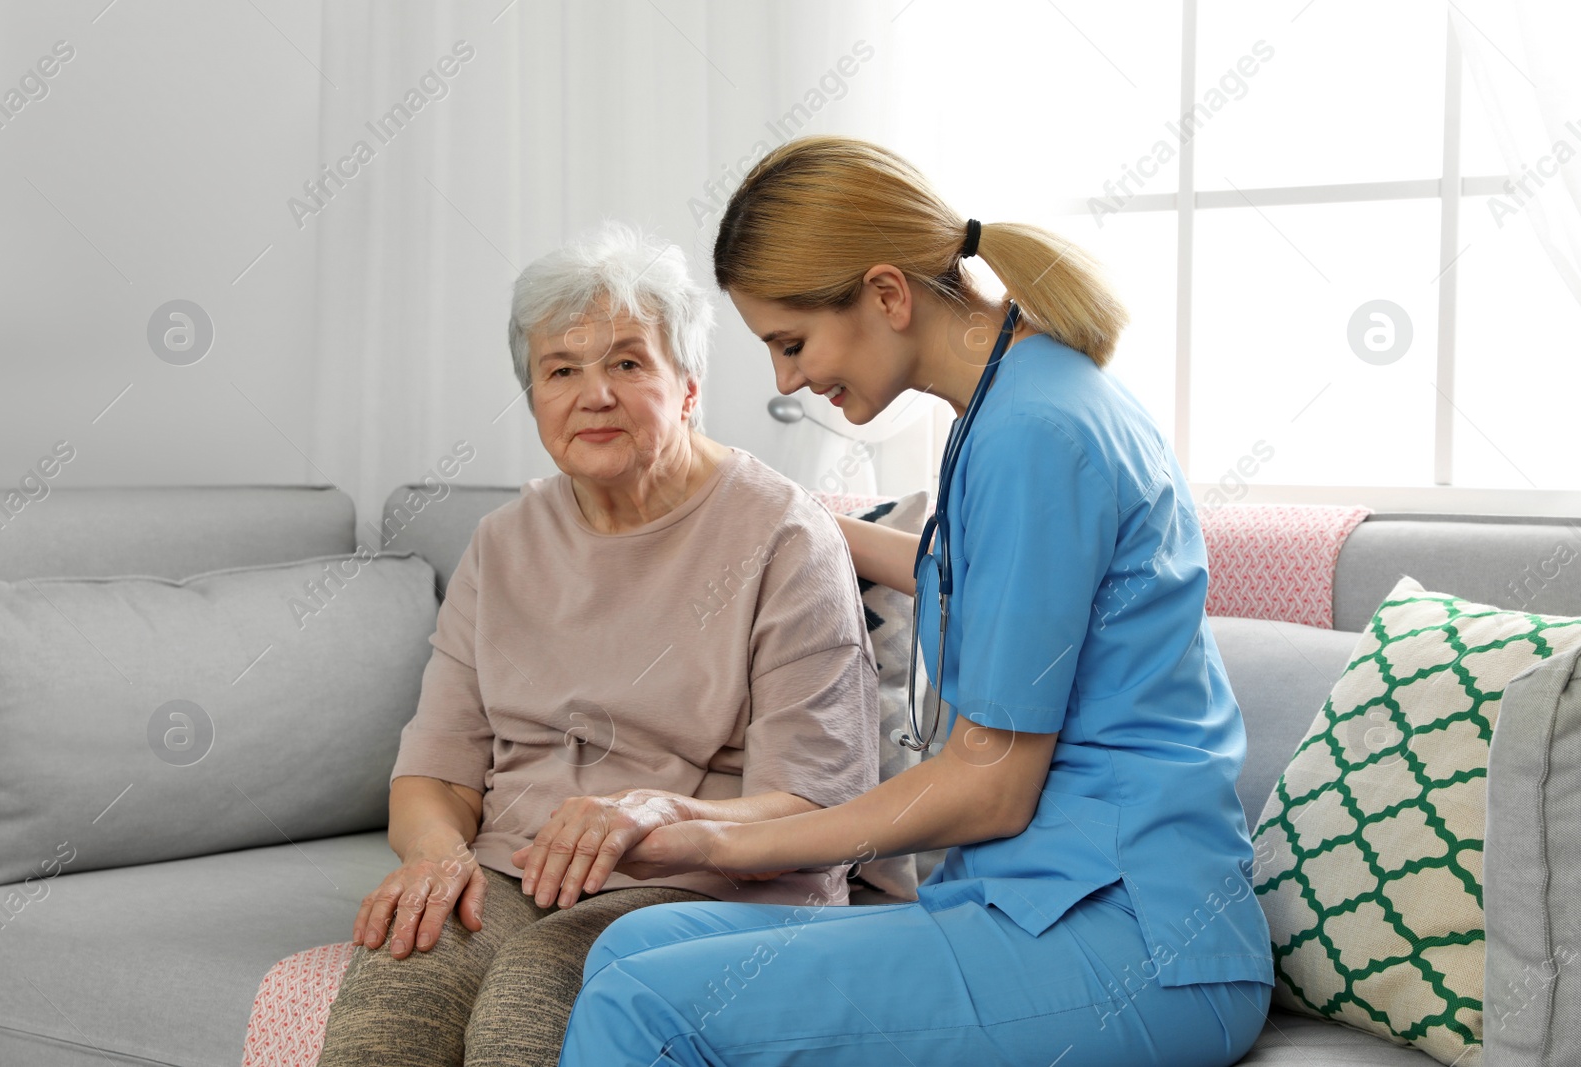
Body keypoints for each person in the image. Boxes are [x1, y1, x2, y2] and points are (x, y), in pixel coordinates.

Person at [554, 136, 1274, 1066]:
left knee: (647, 1000)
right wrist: (783, 512)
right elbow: (970, 579)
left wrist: (717, 839)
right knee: (630, 947)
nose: (785, 379)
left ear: (886, 295)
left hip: (1135, 937)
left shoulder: (1034, 432)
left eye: (790, 342)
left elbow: (991, 781)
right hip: (1038, 901)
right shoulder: (1013, 396)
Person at [316, 220, 882, 1067]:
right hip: (518, 871)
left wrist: (657, 812)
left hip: (711, 884)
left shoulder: (784, 536)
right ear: (535, 395)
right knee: (396, 987)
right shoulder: (502, 543)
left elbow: (814, 802)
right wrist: (436, 857)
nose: (595, 394)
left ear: (688, 386)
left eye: (627, 362)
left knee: (531, 1008)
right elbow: (436, 767)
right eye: (561, 369)